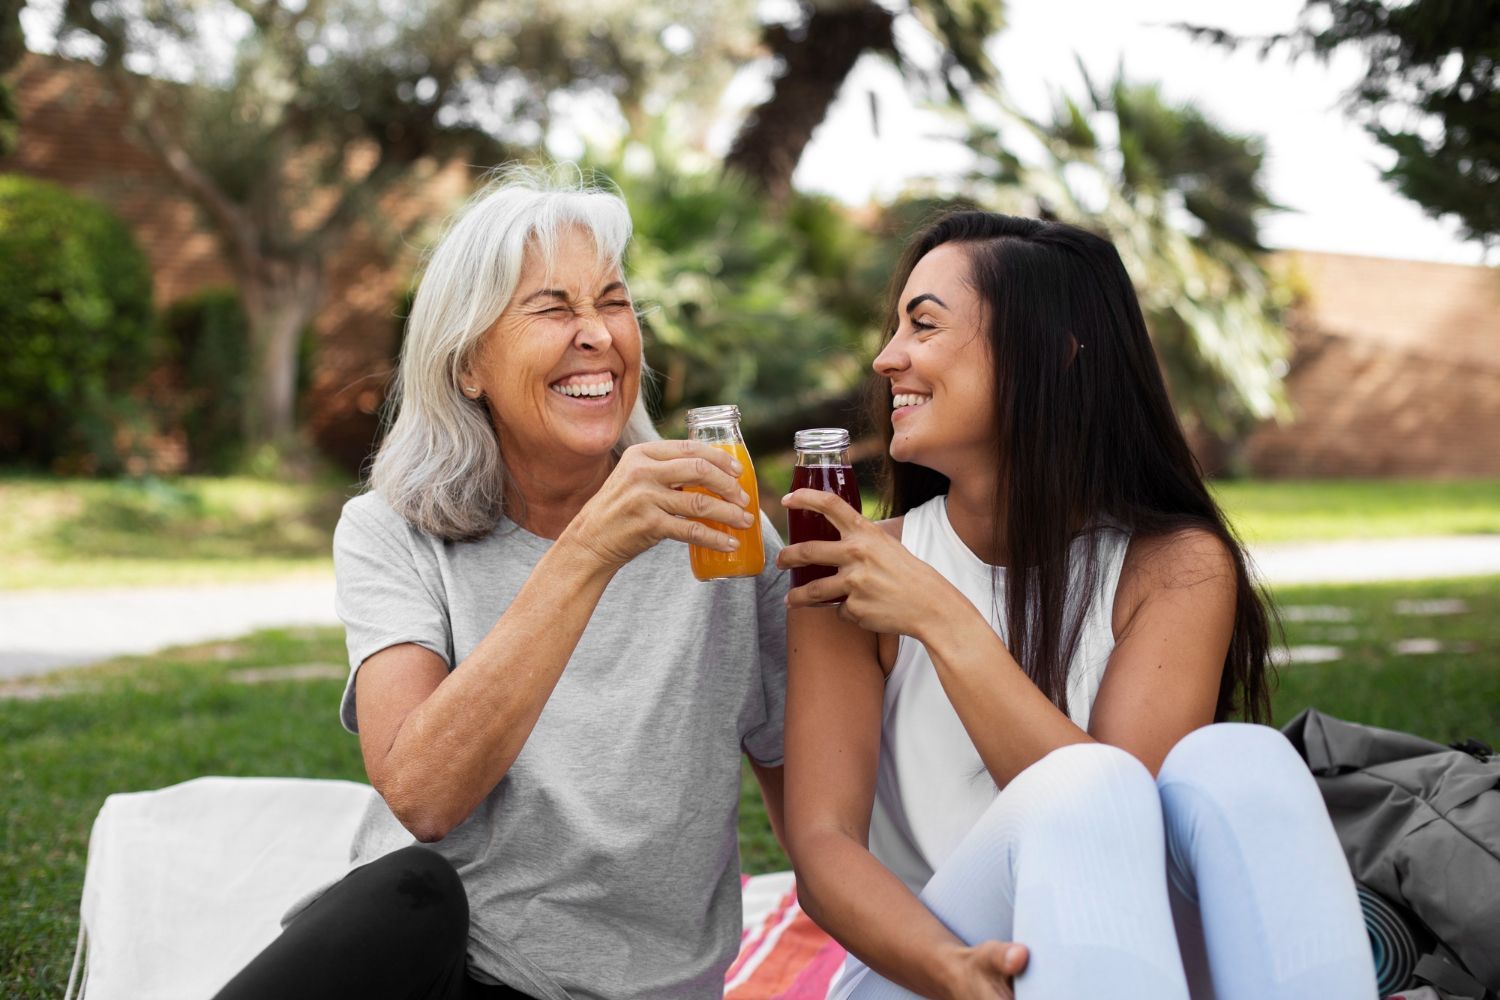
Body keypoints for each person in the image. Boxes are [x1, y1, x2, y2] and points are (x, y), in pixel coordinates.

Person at [212, 166, 789, 1000]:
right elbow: (423, 794)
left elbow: (817, 818)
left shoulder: (721, 530)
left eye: (614, 302)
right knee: (409, 895)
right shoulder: (391, 532)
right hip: (446, 967)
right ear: (468, 364)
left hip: (646, 987)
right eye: (553, 307)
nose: (597, 334)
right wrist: (588, 552)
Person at [776, 211, 1377, 1000]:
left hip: (1127, 961)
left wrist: (945, 619)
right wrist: (953, 969)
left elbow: (1131, 841)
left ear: (1051, 356)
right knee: (1090, 782)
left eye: (923, 325)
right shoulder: (850, 569)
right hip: (927, 968)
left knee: (1246, 757)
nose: (888, 359)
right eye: (896, 329)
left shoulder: (1174, 564)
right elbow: (822, 848)